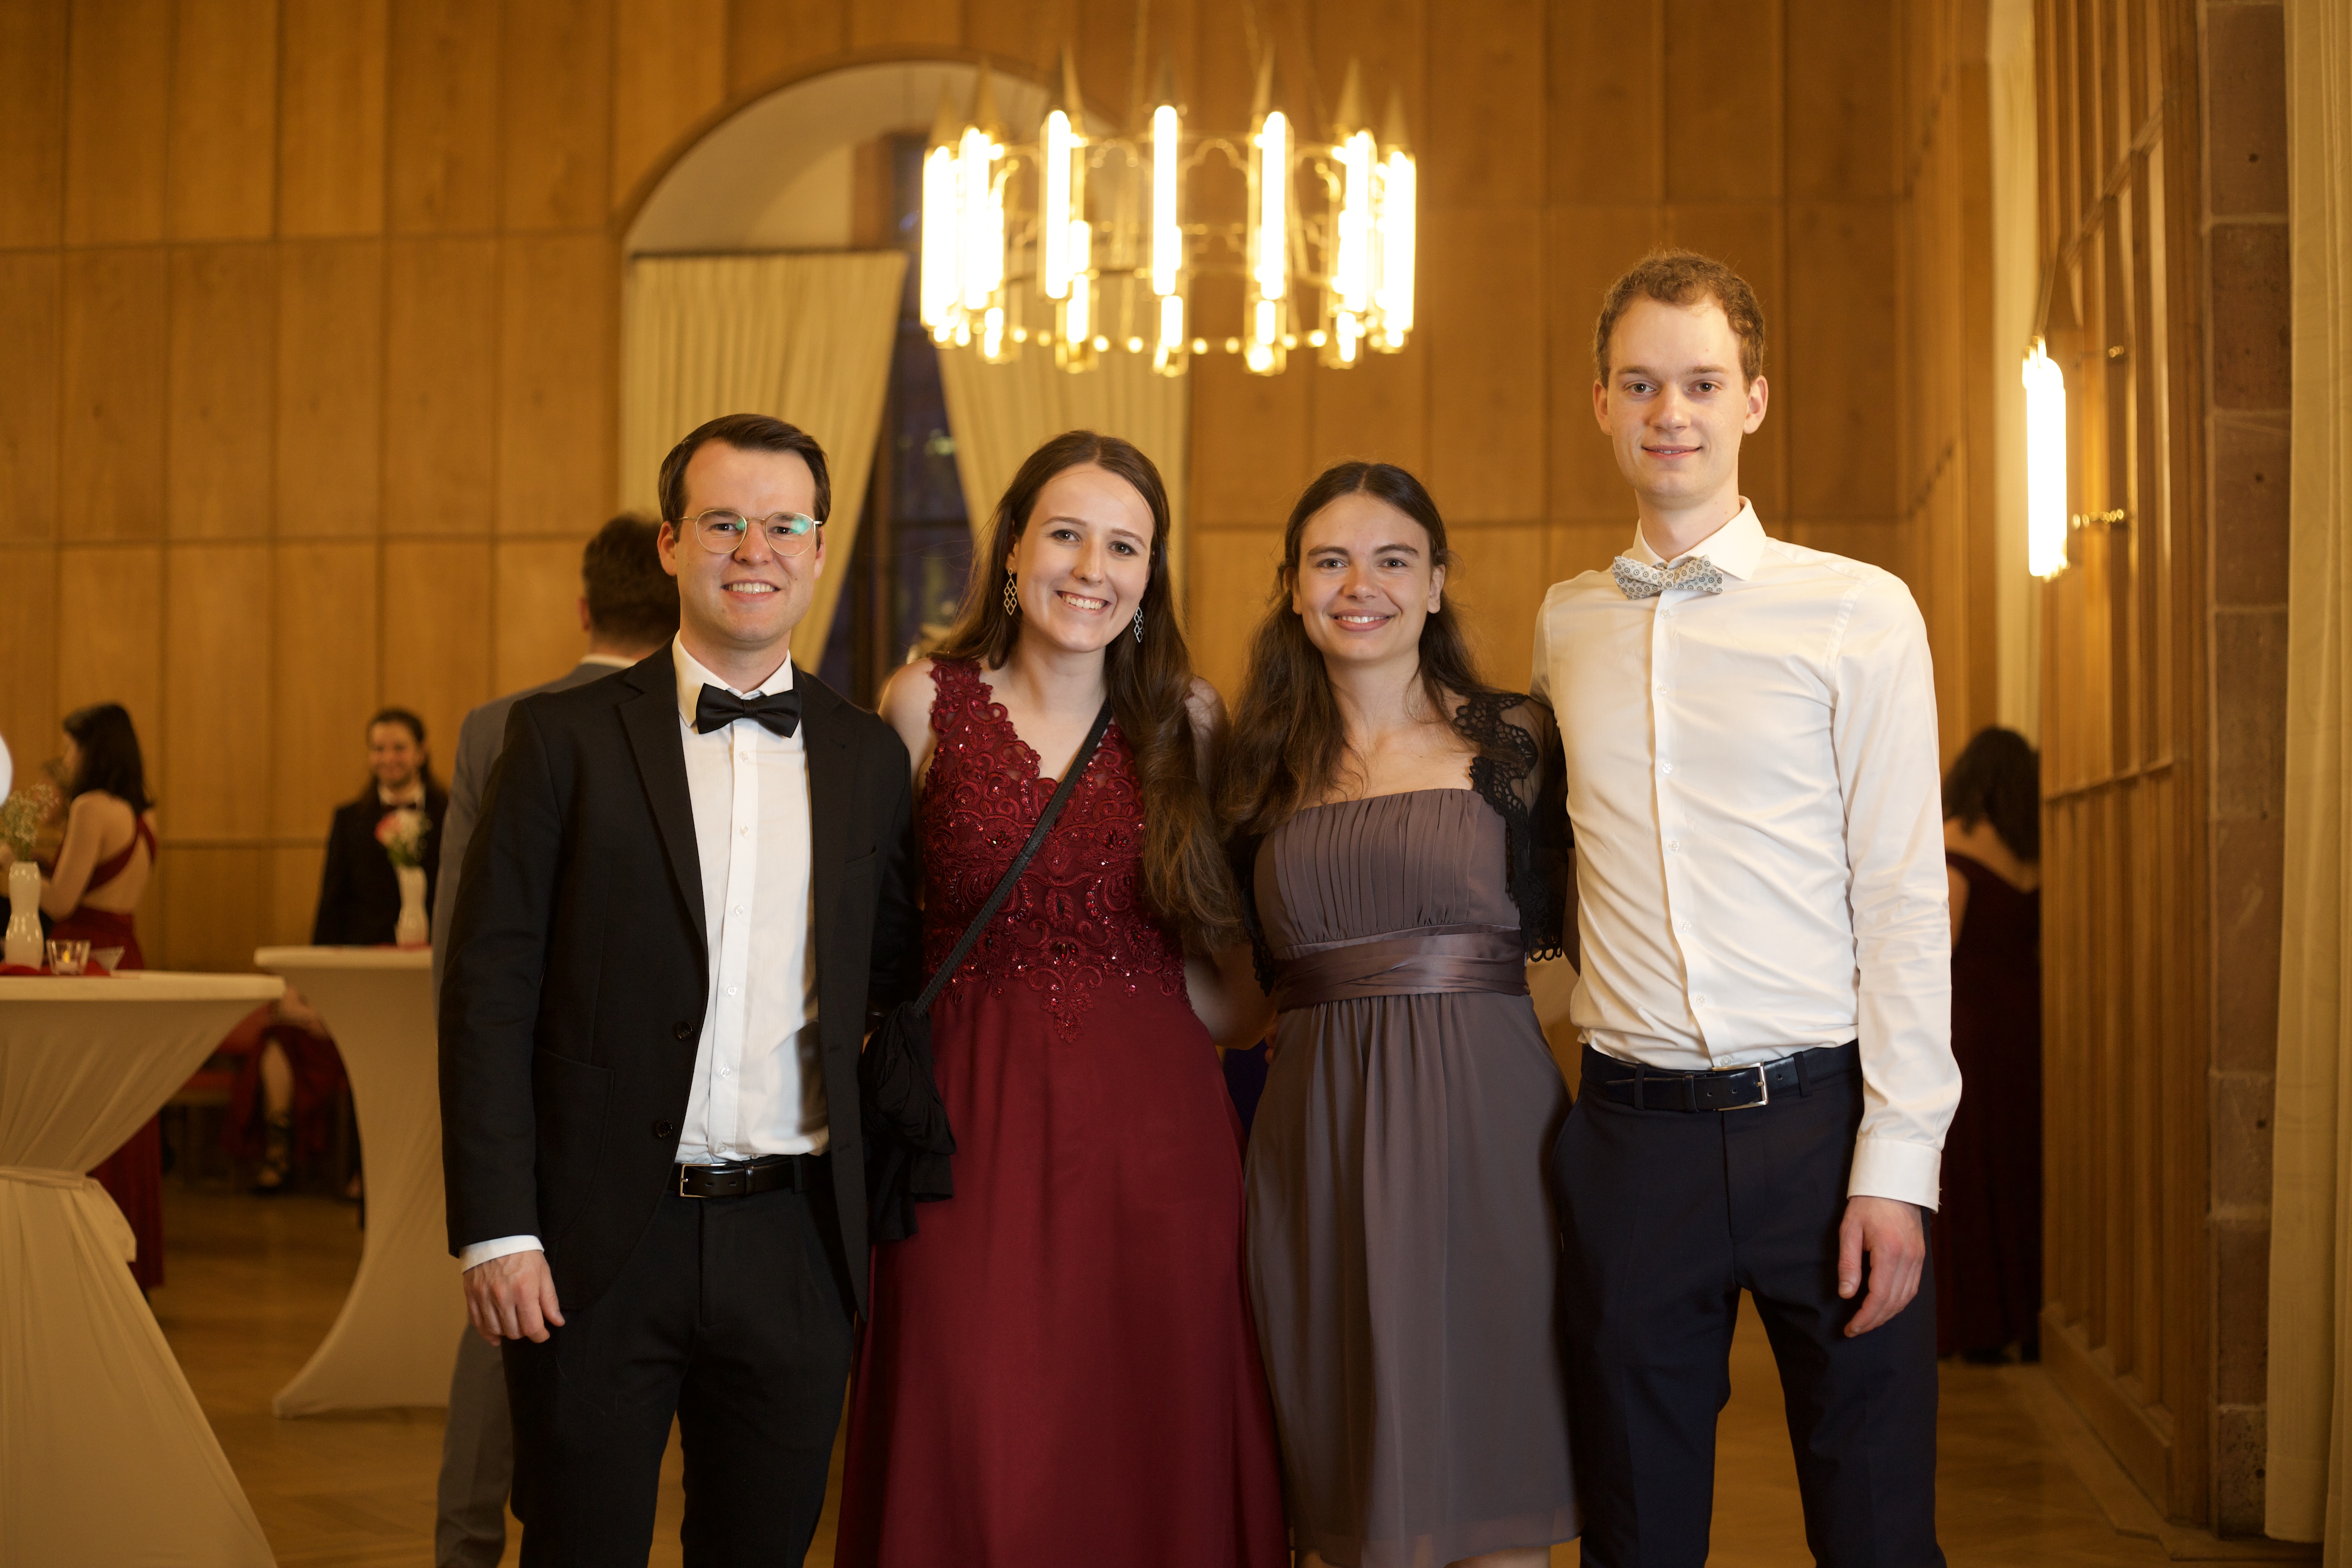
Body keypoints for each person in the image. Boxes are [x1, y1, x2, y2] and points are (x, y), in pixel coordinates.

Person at [1531, 249, 1959, 1566]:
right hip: (1630, 1141)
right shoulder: (1563, 628)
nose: (1672, 412)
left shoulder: (1859, 612)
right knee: (1636, 1537)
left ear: (1755, 400)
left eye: (1703, 383)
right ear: (1601, 404)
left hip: (1822, 1130)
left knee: (1878, 1534)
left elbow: (1902, 901)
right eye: (1641, 383)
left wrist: (1899, 1166)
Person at [440, 412, 921, 1566]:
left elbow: (894, 982)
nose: (754, 550)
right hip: (596, 1241)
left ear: (818, 548)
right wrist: (498, 1229)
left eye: (784, 526)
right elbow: (488, 993)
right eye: (722, 523)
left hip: (796, 1242)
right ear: (669, 543)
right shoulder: (557, 741)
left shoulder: (867, 758)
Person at [840, 431, 1286, 1568]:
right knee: (975, 1420)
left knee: (1147, 1426)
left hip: (1157, 1143)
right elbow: (872, 941)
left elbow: (1229, 969)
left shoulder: (1188, 720)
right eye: (1067, 535)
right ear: (1012, 548)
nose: (1093, 568)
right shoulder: (920, 703)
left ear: (1151, 573)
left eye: (1124, 546)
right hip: (965, 1134)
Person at [1223, 460, 1581, 1568]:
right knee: (1346, 1468)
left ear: (1434, 584)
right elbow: (1232, 993)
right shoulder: (1250, 770)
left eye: (1391, 560)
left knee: (1496, 1457)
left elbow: (1582, 943)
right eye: (1329, 561)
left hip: (1490, 1135)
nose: (1358, 585)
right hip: (1315, 1143)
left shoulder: (1518, 739)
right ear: (1292, 586)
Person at [428, 514, 679, 1568]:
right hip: (680, 1117)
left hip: (529, 1102)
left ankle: (464, 1546)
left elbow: (461, 947)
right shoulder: (698, 719)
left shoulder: (497, 725)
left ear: (585, 608)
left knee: (501, 1335)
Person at [1, 704, 167, 1287]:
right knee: (122, 1109)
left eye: (72, 748)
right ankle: (129, 1262)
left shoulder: (91, 806)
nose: (67, 758)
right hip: (125, 954)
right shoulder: (143, 814)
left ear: (94, 750)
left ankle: (78, 1262)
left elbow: (63, 900)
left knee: (76, 1104)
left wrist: (12, 863)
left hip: (82, 960)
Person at [1936, 725, 2041, 1363]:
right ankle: (2030, 1316)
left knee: (1971, 1170)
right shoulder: (2037, 850)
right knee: (2023, 1166)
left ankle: (1979, 1324)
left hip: (1971, 1027)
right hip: (2030, 1024)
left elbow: (1939, 947)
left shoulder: (1955, 842)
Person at [312, 708, 448, 945]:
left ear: (421, 752)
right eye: (379, 749)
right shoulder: (349, 820)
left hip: (440, 951)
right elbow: (333, 900)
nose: (388, 759)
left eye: (399, 748)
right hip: (368, 952)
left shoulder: (451, 815)